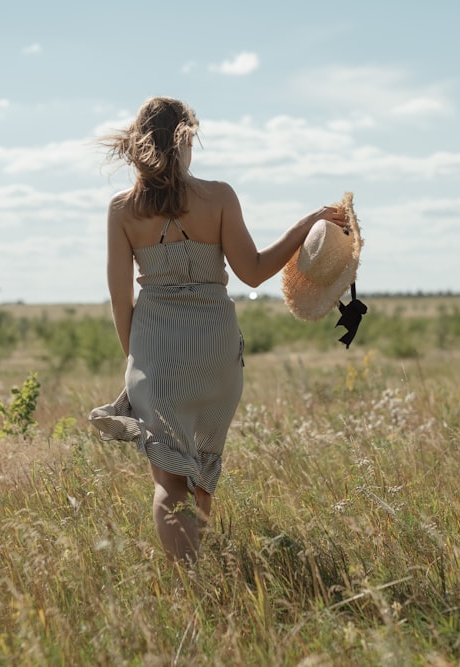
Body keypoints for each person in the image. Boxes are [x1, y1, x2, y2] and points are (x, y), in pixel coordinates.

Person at [89, 96, 349, 563]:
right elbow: (252, 272)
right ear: (185, 140)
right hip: (216, 350)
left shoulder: (121, 210)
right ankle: (199, 564)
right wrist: (307, 224)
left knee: (168, 481)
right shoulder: (220, 197)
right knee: (202, 470)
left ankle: (187, 579)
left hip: (156, 353)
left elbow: (119, 297)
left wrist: (138, 365)